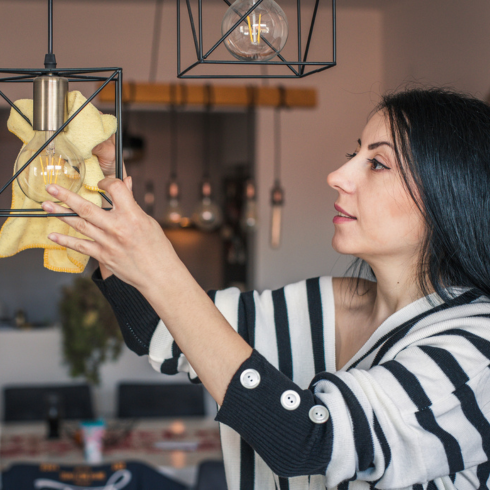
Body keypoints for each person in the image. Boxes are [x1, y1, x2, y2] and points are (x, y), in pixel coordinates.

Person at [41, 88, 490, 490]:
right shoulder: (328, 304)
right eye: (354, 154)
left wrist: (162, 265)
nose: (338, 175)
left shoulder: (476, 349)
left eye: (377, 162)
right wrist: (103, 185)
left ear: (448, 195)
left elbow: (310, 440)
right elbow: (161, 327)